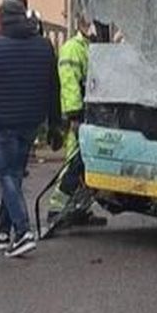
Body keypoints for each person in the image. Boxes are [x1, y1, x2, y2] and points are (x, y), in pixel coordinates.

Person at [0, 0, 63, 257]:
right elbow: (54, 88)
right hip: (31, 122)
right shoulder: (45, 46)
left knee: (6, 174)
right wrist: (55, 125)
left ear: (3, 21)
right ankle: (3, 232)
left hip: (0, 123)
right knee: (14, 175)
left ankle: (23, 231)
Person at [47, 13, 106, 226]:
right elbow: (69, 82)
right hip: (80, 114)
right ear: (81, 24)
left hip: (94, 112)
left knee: (87, 164)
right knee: (74, 162)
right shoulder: (73, 48)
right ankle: (56, 209)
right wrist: (74, 114)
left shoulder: (95, 47)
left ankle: (79, 209)